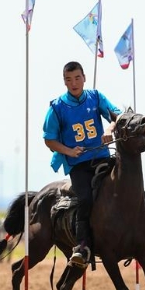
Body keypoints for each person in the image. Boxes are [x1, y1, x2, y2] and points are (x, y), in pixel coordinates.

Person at [43, 61, 121, 268]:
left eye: (77, 78)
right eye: (69, 79)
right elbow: (49, 139)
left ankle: (139, 235)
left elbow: (117, 115)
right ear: (64, 81)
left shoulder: (96, 97)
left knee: (126, 184)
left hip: (102, 156)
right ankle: (82, 247)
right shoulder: (57, 108)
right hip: (78, 164)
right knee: (86, 199)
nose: (74, 83)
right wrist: (69, 151)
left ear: (84, 77)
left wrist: (109, 130)